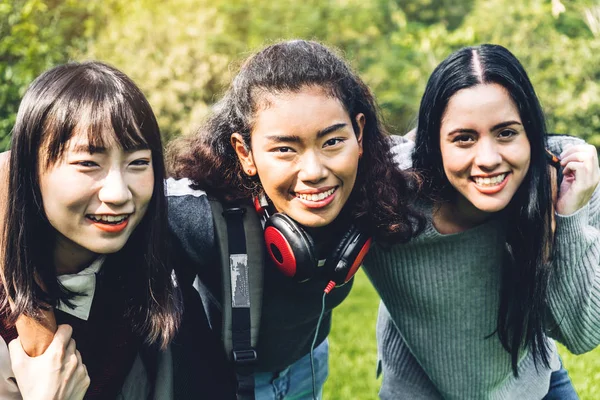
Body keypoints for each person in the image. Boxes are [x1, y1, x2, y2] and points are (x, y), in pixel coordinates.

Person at [167, 39, 422, 399]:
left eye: (332, 142)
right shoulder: (203, 214)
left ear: (359, 133)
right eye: (285, 149)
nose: (314, 172)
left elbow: (458, 150)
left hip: (309, 361)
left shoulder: (382, 176)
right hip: (221, 379)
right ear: (246, 152)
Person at [364, 44, 600, 399]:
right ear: (433, 143)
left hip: (529, 383)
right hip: (416, 388)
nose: (488, 159)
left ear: (532, 136)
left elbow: (584, 335)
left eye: (506, 132)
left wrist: (569, 216)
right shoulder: (384, 192)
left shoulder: (566, 183)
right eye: (464, 138)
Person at [0, 61, 233, 399]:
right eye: (87, 164)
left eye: (138, 163)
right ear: (31, 172)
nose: (119, 194)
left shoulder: (150, 269)